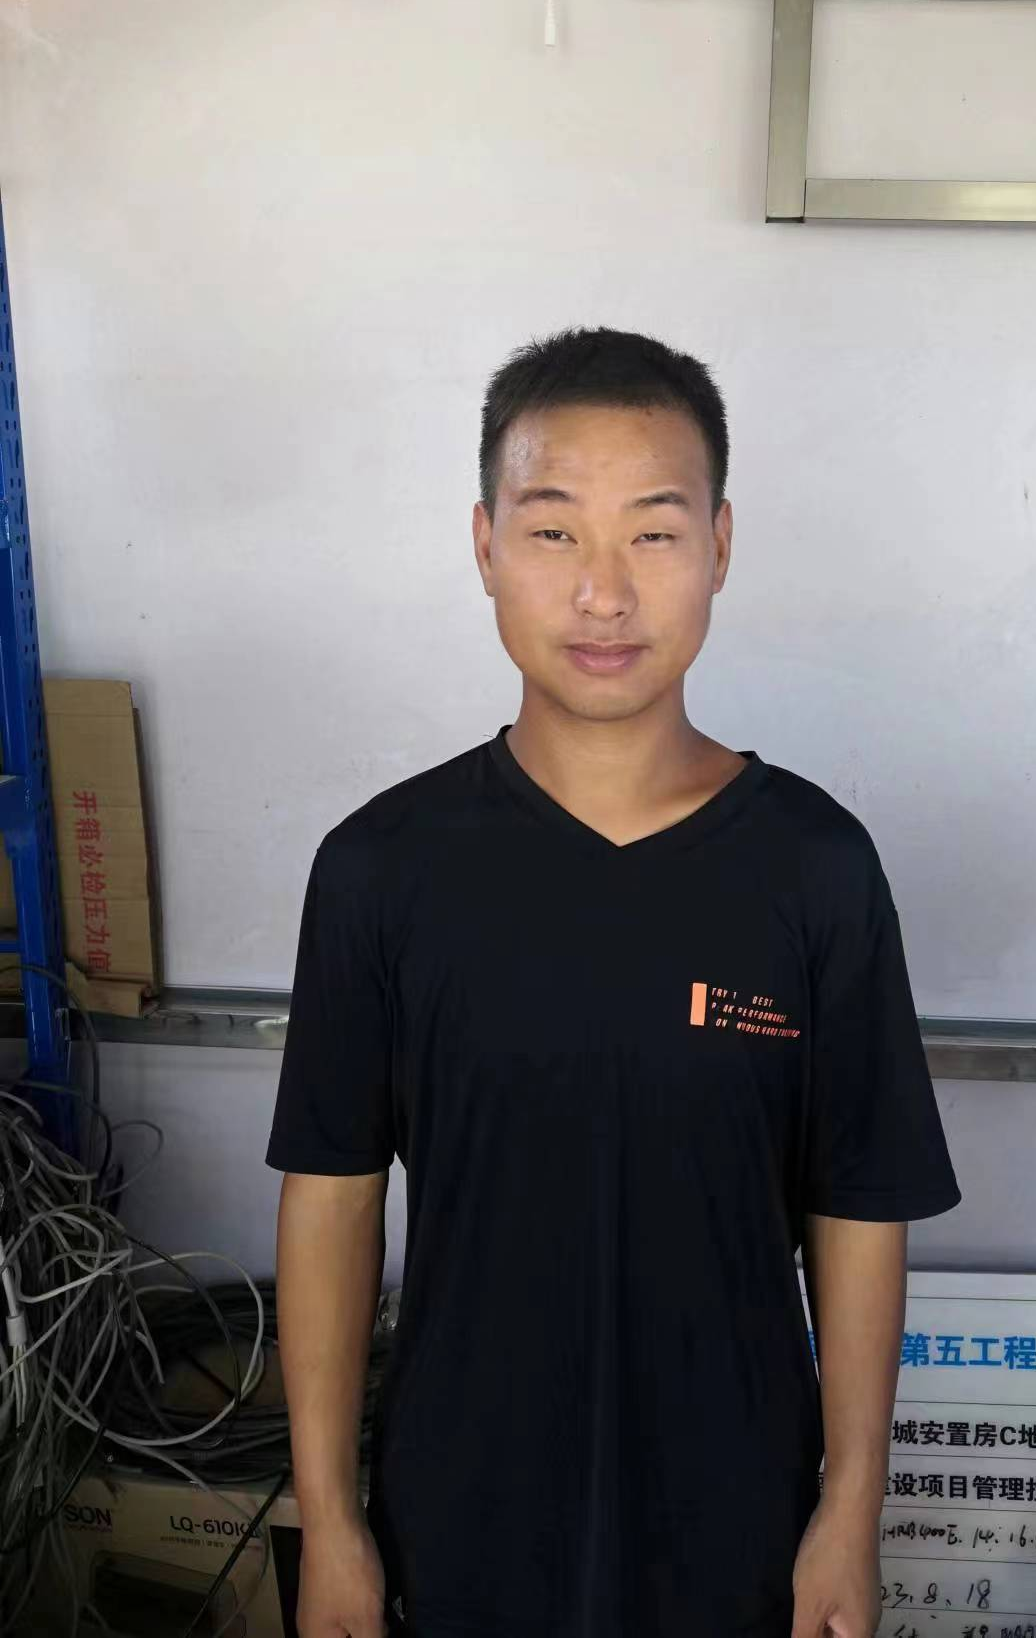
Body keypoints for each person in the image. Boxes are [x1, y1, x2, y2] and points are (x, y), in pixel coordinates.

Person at [266, 326, 962, 1638]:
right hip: (457, 1516)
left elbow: (860, 1207)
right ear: (485, 546)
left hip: (741, 1520)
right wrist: (331, 1520)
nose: (603, 592)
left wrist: (850, 1508)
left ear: (721, 546)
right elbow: (332, 1197)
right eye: (552, 532)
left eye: (653, 532)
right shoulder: (381, 869)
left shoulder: (815, 866)